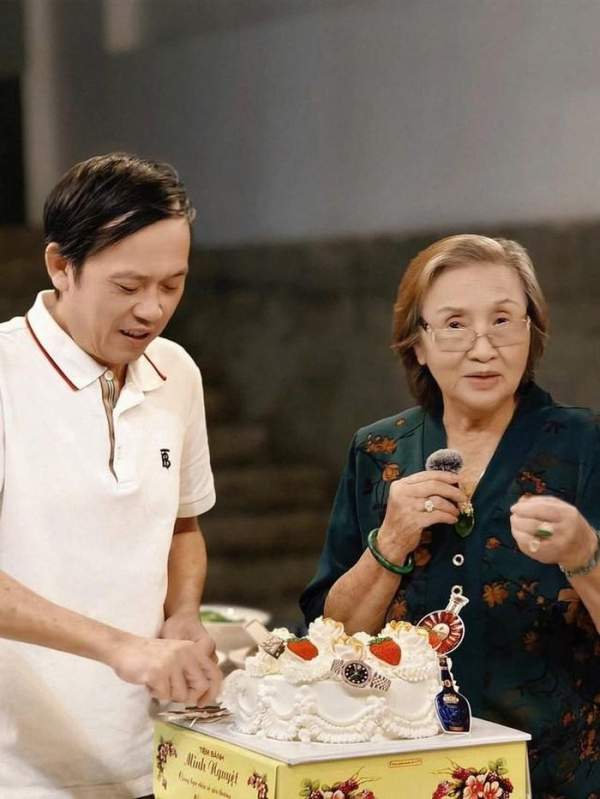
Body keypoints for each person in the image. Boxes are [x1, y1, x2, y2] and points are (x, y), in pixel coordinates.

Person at [300, 234, 600, 799]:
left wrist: (585, 555)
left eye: (503, 321)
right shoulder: (379, 451)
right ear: (418, 344)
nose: (483, 348)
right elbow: (327, 645)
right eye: (455, 324)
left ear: (531, 332)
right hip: (402, 773)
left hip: (555, 778)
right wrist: (390, 543)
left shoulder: (584, 445)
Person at [0, 153, 222, 799]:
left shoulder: (177, 372)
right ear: (60, 266)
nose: (152, 310)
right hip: (16, 769)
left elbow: (182, 524)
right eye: (128, 286)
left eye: (172, 285)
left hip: (143, 756)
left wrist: (183, 614)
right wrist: (120, 646)